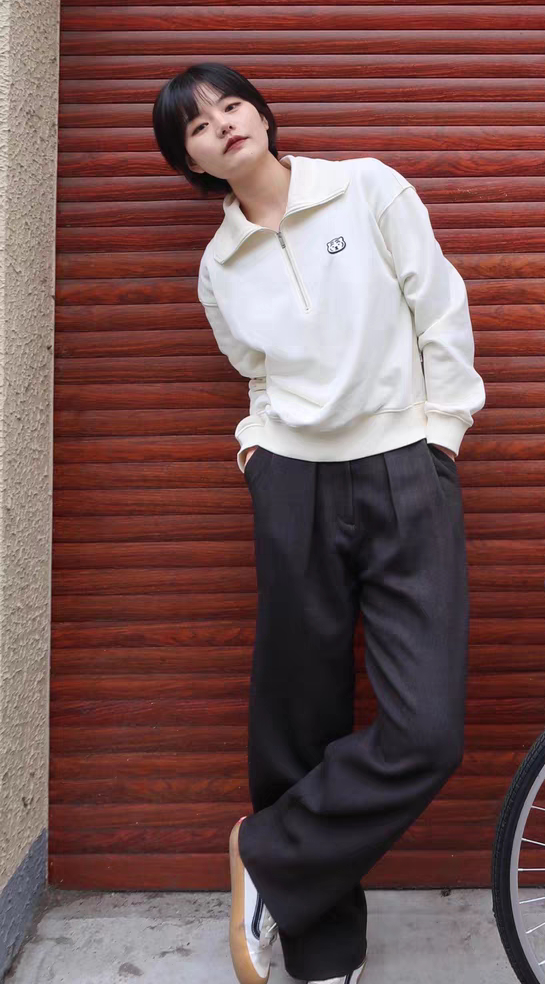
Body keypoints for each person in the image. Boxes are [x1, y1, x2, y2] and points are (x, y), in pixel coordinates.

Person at [152, 62, 486, 984]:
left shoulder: (367, 187)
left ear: (261, 114)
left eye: (231, 105)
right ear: (192, 164)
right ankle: (321, 946)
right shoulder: (219, 268)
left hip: (406, 466)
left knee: (427, 732)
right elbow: (256, 374)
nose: (222, 125)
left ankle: (267, 851)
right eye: (197, 126)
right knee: (298, 716)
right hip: (293, 481)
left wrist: (442, 437)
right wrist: (258, 454)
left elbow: (439, 307)